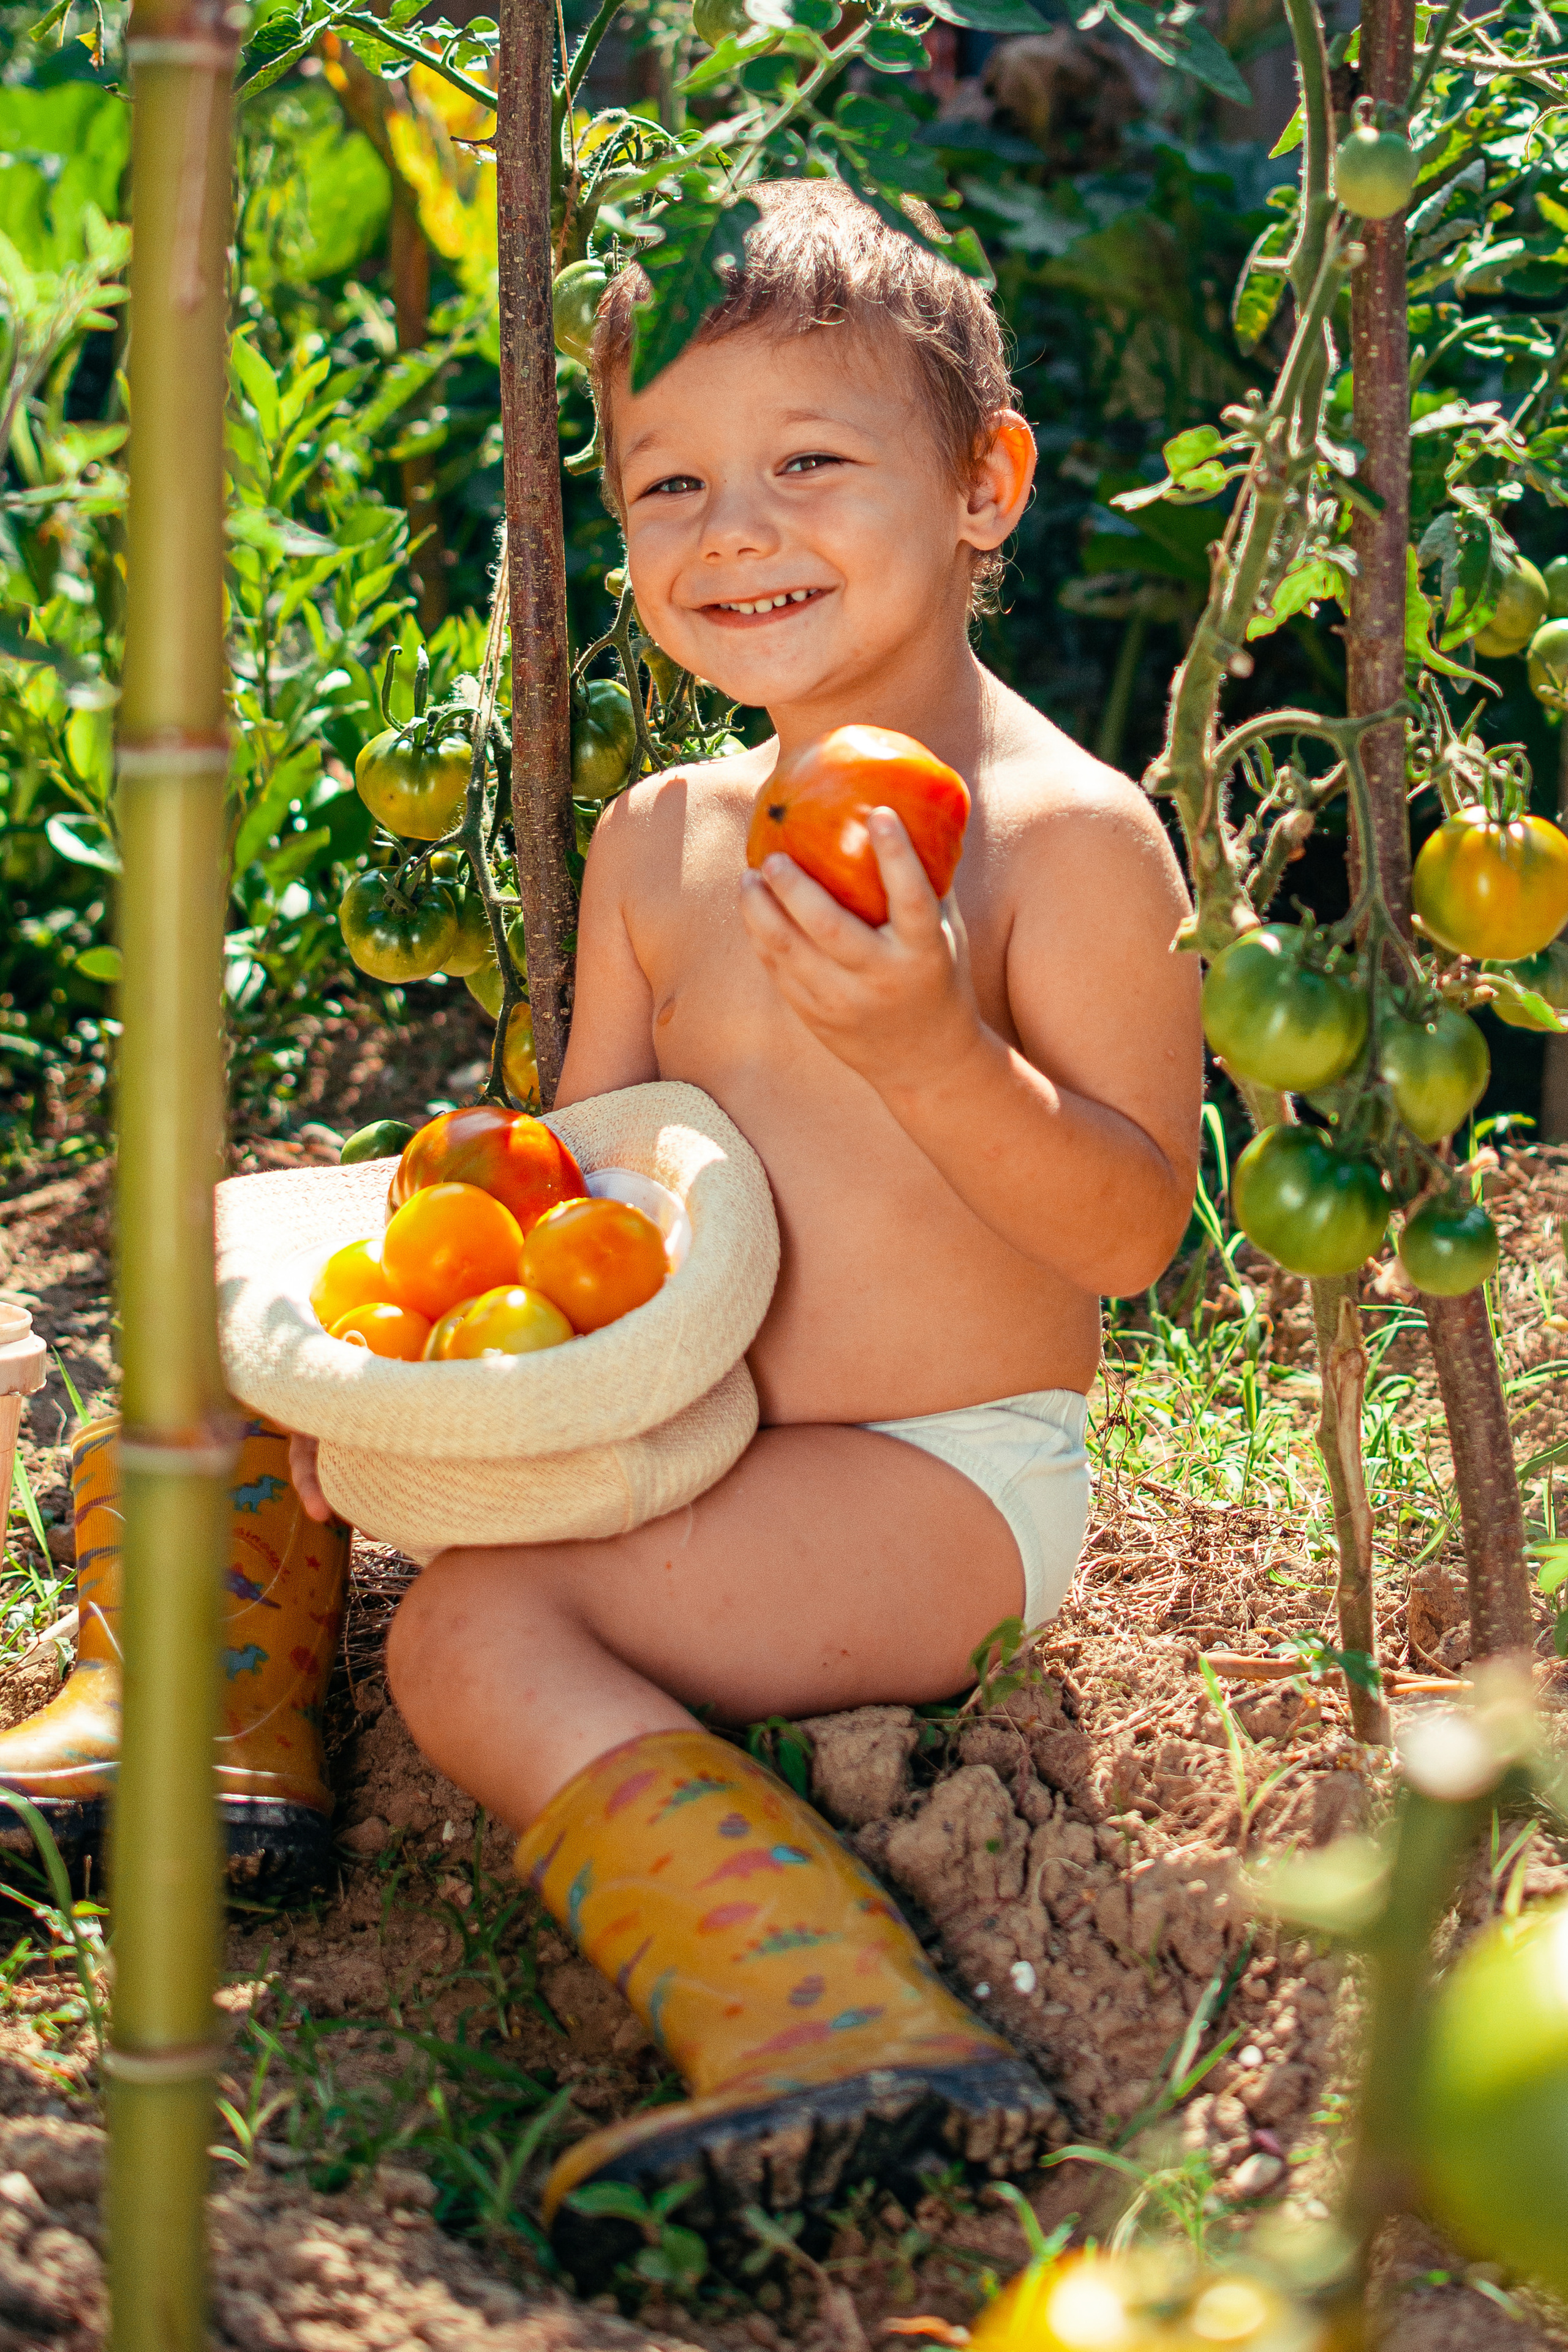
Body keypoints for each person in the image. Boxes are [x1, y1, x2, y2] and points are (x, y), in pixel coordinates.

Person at [291, 180, 1203, 2275]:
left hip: (931, 1481)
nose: (735, 531)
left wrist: (932, 1050)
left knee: (472, 1632)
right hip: (683, 1432)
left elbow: (1130, 1233)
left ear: (984, 487)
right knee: (245, 1382)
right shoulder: (656, 840)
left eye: (809, 463)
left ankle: (838, 2021)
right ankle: (209, 1766)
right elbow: (591, 1190)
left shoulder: (1062, 839)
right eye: (671, 483)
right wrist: (432, 1343)